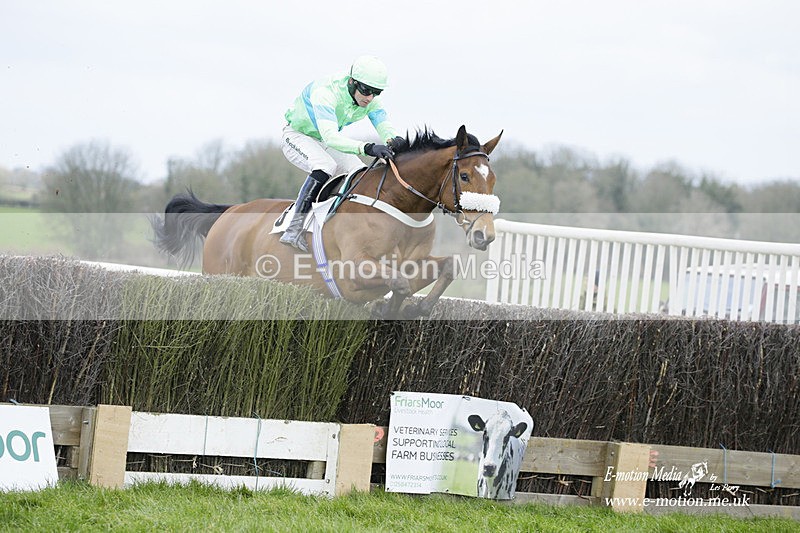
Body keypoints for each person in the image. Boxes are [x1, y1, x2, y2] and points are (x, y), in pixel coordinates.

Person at [279, 55, 407, 252]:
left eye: (376, 92)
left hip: (322, 139)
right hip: (297, 135)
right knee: (325, 166)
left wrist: (393, 140)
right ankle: (294, 228)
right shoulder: (326, 93)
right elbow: (331, 137)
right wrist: (368, 148)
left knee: (360, 172)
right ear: (351, 82)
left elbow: (384, 124)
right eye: (366, 90)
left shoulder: (370, 99)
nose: (369, 97)